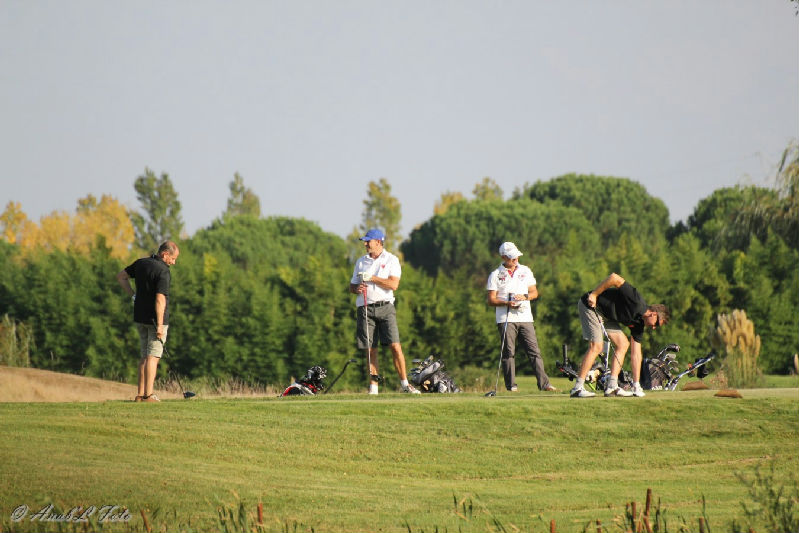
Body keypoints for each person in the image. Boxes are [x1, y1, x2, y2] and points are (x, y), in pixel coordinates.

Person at [570, 272, 670, 398]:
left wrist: (636, 384)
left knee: (623, 344)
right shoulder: (636, 300)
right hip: (591, 306)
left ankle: (612, 386)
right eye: (657, 324)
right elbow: (614, 278)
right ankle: (577, 388)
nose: (654, 328)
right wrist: (594, 294)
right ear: (653, 314)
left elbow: (636, 354)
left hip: (607, 315)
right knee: (597, 346)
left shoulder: (639, 324)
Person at [349, 229, 419, 395]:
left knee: (395, 346)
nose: (365, 244)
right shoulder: (361, 261)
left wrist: (372, 278)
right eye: (365, 241)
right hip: (365, 308)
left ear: (378, 242)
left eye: (368, 241)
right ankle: (373, 388)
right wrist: (357, 288)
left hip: (386, 307)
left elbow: (393, 285)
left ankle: (405, 384)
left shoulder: (391, 260)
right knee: (370, 349)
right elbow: (352, 286)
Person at [485, 242, 556, 392]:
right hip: (505, 318)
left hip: (525, 317)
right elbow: (491, 300)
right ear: (503, 257)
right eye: (512, 257)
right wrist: (507, 303)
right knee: (508, 353)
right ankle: (511, 386)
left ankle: (544, 385)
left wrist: (524, 297)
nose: (516, 259)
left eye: (516, 256)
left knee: (534, 351)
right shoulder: (495, 274)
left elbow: (534, 292)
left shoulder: (525, 270)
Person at [116, 241, 180, 402]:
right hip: (155, 320)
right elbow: (160, 299)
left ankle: (140, 394)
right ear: (165, 254)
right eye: (173, 258)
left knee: (144, 356)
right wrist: (160, 325)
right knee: (153, 356)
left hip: (140, 317)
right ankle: (148, 395)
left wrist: (133, 295)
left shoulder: (141, 263)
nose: (174, 262)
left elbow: (121, 277)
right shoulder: (163, 271)